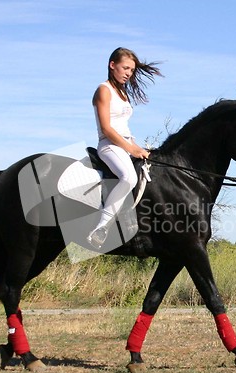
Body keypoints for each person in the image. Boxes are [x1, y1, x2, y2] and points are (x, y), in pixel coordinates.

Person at [87, 47, 162, 249]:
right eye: (125, 68)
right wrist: (131, 149)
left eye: (131, 70)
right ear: (112, 65)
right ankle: (101, 227)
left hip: (124, 144)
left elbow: (124, 129)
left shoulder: (122, 93)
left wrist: (139, 149)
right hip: (109, 145)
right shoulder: (104, 90)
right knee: (128, 177)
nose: (128, 73)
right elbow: (107, 128)